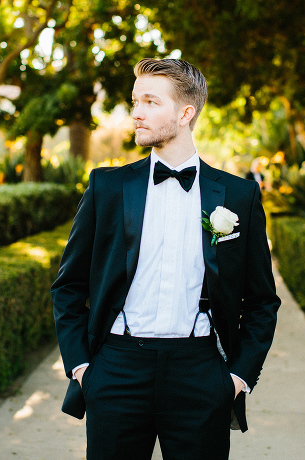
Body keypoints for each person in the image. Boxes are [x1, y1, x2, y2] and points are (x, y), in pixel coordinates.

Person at [52, 58, 280, 459]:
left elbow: (261, 300)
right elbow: (68, 286)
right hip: (116, 371)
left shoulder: (237, 196)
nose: (136, 112)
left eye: (151, 102)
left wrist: (237, 377)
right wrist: (83, 369)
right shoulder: (107, 187)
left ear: (185, 112)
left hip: (200, 374)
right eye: (135, 101)